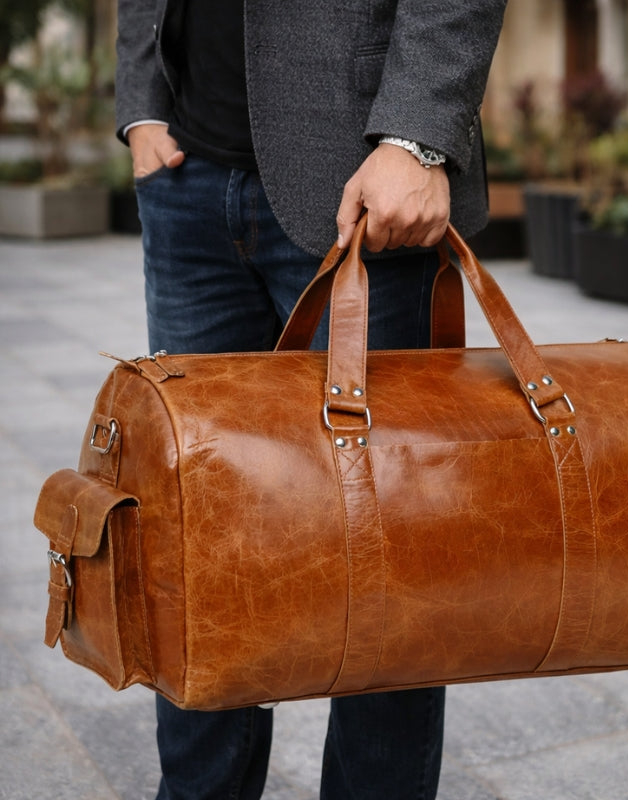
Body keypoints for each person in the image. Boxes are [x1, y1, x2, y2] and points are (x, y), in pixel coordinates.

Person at [115, 1, 507, 798]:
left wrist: (415, 136)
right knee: (197, 534)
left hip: (363, 179)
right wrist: (140, 103)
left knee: (389, 547)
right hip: (187, 172)